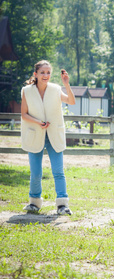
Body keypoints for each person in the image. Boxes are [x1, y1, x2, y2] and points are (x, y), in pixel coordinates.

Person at [21, 60, 76, 215]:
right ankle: (34, 203)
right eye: (42, 72)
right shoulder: (27, 91)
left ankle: (62, 205)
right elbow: (24, 114)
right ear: (35, 74)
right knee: (36, 172)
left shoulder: (56, 89)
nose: (46, 75)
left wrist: (66, 84)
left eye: (48, 72)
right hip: (35, 134)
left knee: (58, 171)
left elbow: (71, 101)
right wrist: (39, 122)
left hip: (54, 134)